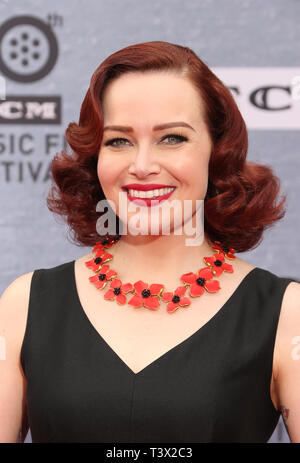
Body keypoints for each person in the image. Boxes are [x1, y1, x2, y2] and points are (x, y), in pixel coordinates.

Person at [0, 41, 299, 444]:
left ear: (217, 151)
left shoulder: (284, 313)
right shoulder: (26, 305)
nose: (141, 166)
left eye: (172, 138)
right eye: (118, 141)